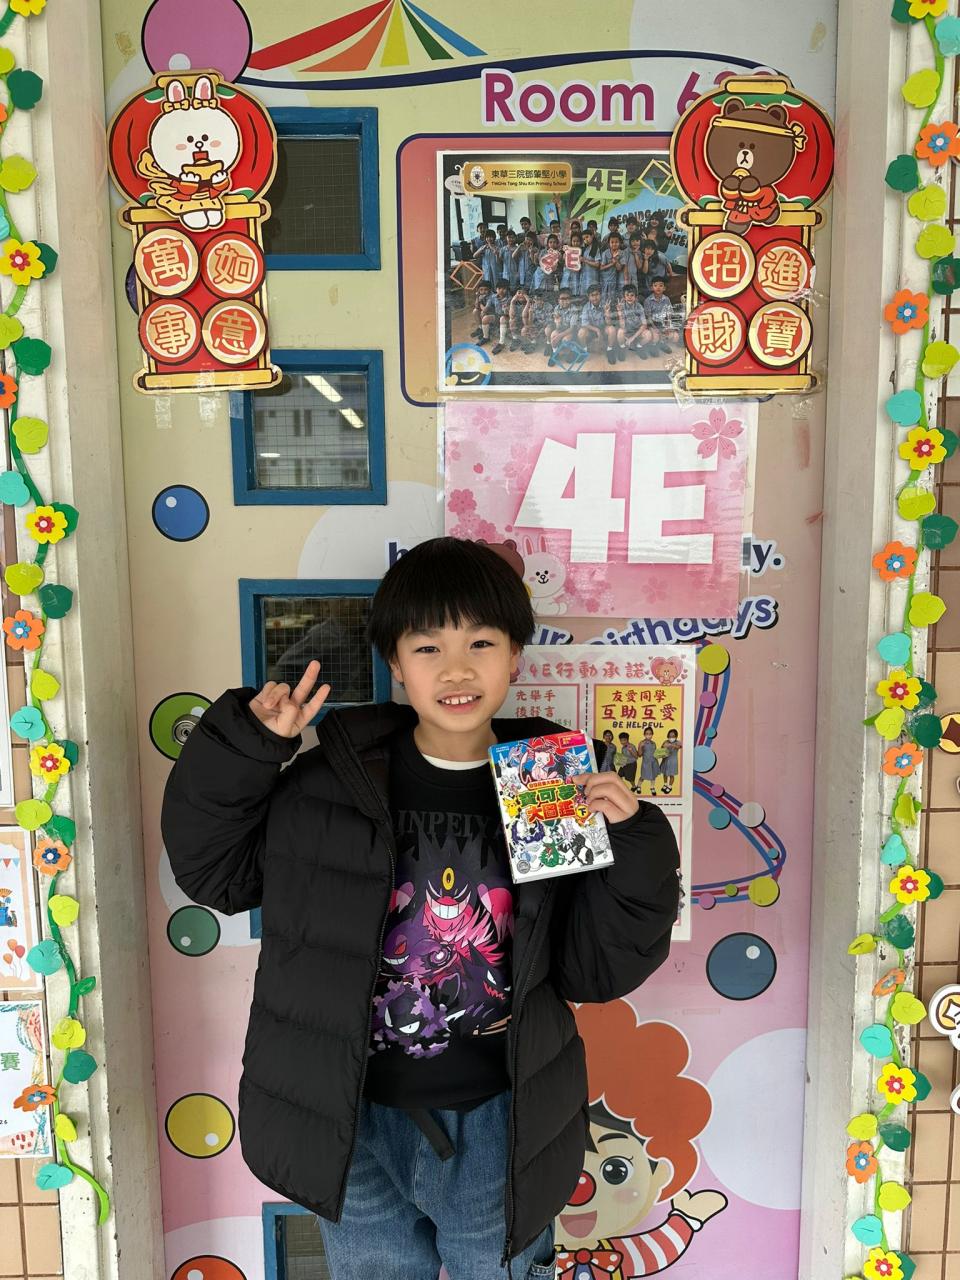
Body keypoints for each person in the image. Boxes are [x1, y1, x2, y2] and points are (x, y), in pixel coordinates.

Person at [161, 538, 680, 1280]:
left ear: (515, 657)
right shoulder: (329, 783)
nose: (456, 669)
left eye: (481, 643)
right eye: (428, 646)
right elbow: (216, 874)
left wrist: (632, 843)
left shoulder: (547, 785)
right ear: (396, 663)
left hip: (501, 1121)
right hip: (348, 1120)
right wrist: (248, 748)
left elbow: (594, 969)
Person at [644, 278, 681, 353]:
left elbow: (670, 314)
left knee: (675, 336)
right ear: (652, 288)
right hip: (652, 323)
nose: (658, 287)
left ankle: (662, 343)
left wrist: (668, 327)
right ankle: (653, 345)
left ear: (664, 288)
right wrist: (655, 328)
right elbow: (648, 318)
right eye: (655, 285)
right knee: (655, 336)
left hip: (663, 323)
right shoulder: (648, 300)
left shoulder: (666, 299)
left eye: (661, 286)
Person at [577, 283, 613, 360]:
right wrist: (597, 330)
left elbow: (609, 323)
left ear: (600, 295)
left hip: (603, 330)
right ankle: (584, 351)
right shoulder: (586, 307)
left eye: (597, 294)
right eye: (592, 295)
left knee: (612, 329)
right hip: (591, 331)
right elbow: (584, 324)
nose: (595, 298)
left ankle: (610, 350)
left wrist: (607, 313)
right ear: (589, 297)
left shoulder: (605, 305)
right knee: (581, 332)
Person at [548, 287, 578, 365]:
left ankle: (573, 351)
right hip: (561, 329)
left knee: (565, 339)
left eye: (567, 298)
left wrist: (559, 336)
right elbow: (558, 328)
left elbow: (572, 328)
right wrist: (558, 322)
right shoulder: (557, 308)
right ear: (558, 300)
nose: (565, 301)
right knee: (553, 335)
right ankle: (555, 353)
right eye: (562, 299)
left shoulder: (574, 309)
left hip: (571, 331)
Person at [637, 724, 659, 796]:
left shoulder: (653, 743)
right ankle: (638, 786)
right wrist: (640, 747)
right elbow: (639, 755)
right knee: (643, 776)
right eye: (647, 734)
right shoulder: (642, 743)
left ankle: (652, 787)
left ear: (652, 734)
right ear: (644, 734)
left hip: (654, 762)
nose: (648, 735)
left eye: (650, 734)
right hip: (646, 763)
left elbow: (655, 753)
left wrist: (660, 754)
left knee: (653, 775)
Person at [660, 728, 681, 796]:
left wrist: (671, 745)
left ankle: (670, 786)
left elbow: (679, 747)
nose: (671, 738)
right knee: (664, 773)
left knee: (671, 774)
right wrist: (663, 746)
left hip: (673, 761)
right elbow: (661, 748)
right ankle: (665, 784)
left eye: (673, 736)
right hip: (665, 760)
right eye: (669, 736)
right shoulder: (665, 741)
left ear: (676, 736)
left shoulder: (677, 742)